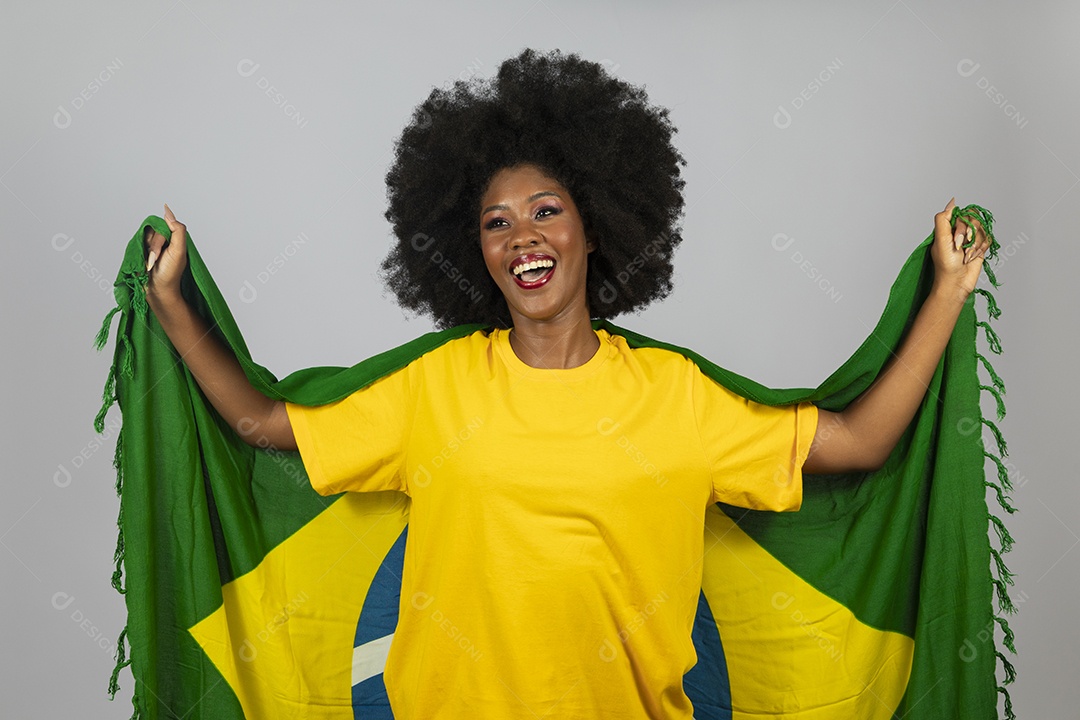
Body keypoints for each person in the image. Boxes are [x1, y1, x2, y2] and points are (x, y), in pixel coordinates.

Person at [142, 48, 990, 719]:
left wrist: (947, 293)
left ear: (596, 228)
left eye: (546, 211)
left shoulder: (678, 397)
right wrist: (173, 304)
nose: (523, 237)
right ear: (474, 251)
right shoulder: (432, 389)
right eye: (496, 223)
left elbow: (861, 443)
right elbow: (263, 424)